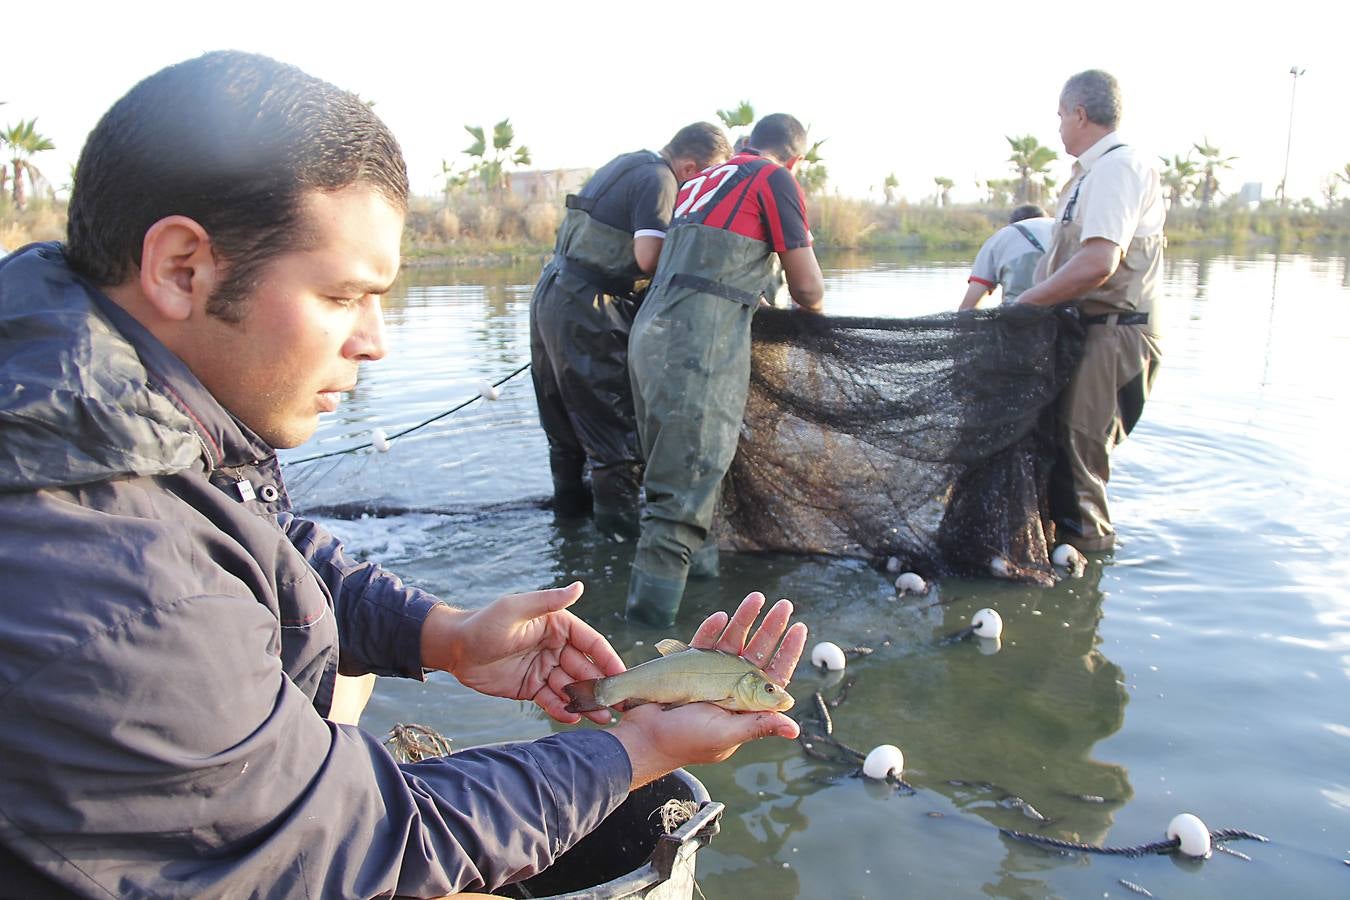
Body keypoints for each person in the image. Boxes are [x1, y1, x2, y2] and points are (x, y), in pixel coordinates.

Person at [0, 51, 806, 898]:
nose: (375, 341)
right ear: (181, 269)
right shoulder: (109, 580)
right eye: (344, 296)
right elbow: (362, 846)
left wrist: (444, 636)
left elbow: (261, 546)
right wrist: (639, 751)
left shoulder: (94, 408)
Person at [625, 113, 825, 627]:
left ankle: (702, 603)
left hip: (649, 340)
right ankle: (640, 647)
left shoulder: (702, 180)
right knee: (679, 502)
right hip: (694, 350)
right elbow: (806, 288)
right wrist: (819, 326)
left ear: (746, 143)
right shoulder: (773, 178)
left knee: (683, 484)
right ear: (795, 159)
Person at [530, 123, 731, 537]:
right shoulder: (660, 179)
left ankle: (568, 533)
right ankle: (617, 556)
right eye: (708, 179)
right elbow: (647, 257)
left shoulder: (628, 163)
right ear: (691, 167)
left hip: (552, 296)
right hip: (590, 311)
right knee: (615, 446)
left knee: (565, 436)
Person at [1016, 69, 1165, 552]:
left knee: (1081, 459)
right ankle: (1064, 552)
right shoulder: (1089, 175)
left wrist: (1022, 305)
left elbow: (1099, 262)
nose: (1058, 126)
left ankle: (1085, 585)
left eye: (1061, 115)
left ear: (1080, 114)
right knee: (1060, 449)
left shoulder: (1119, 167)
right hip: (1086, 330)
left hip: (1114, 332)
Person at [958, 203, 1054, 309]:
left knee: (1017, 312)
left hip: (1021, 311)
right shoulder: (1062, 226)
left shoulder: (1000, 237)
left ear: (1011, 224)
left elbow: (969, 306)